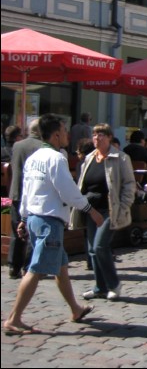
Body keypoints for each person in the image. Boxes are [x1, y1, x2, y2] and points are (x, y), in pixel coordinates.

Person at [3, 113, 103, 334]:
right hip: (49, 221)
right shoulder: (56, 158)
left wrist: (24, 217)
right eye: (65, 131)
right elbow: (67, 191)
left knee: (61, 268)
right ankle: (14, 318)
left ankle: (75, 309)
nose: (67, 134)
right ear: (56, 134)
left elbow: (27, 189)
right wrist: (90, 210)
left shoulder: (35, 157)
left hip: (36, 218)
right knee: (36, 270)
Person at [70, 123, 136, 301]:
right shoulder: (90, 158)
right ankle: (100, 286)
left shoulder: (120, 158)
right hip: (91, 209)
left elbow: (130, 184)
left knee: (100, 246)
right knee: (92, 249)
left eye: (101, 135)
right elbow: (82, 182)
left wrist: (124, 206)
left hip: (110, 209)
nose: (96, 138)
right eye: (94, 135)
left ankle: (114, 284)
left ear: (109, 137)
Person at [7, 120, 43, 279]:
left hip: (16, 192)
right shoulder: (42, 146)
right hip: (33, 194)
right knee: (31, 231)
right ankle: (27, 267)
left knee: (16, 231)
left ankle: (13, 266)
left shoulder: (17, 145)